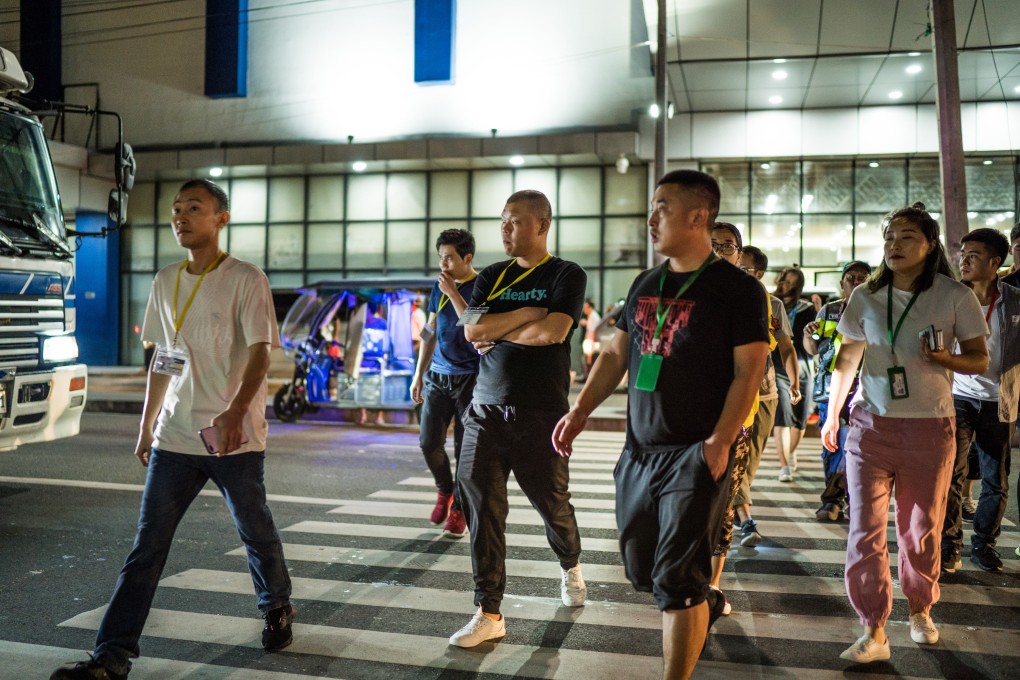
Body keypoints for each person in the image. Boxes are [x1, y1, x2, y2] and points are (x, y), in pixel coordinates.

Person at [50, 180, 294, 680]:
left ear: (221, 219)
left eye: (194, 208)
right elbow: (164, 358)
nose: (181, 216)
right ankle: (111, 657)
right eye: (177, 209)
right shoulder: (166, 281)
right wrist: (147, 426)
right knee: (147, 547)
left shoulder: (246, 279)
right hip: (175, 438)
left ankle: (276, 605)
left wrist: (235, 411)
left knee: (255, 530)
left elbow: (260, 354)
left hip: (232, 438)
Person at [553, 170, 769, 679]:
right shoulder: (646, 283)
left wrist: (719, 441)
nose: (651, 219)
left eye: (662, 207)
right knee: (642, 567)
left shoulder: (737, 290)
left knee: (676, 580)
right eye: (653, 207)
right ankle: (702, 603)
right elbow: (616, 354)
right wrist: (580, 410)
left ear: (698, 215)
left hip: (696, 451)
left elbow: (750, 371)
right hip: (639, 451)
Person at [822, 203, 988, 664]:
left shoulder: (954, 295)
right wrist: (833, 414)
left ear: (930, 244)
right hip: (869, 425)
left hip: (929, 427)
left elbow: (979, 359)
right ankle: (873, 629)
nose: (894, 245)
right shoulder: (866, 295)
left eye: (906, 236)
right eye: (889, 237)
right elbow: (847, 357)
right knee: (864, 530)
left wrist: (945, 360)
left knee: (920, 530)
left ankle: (920, 610)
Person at [448, 189, 587, 648]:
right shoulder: (491, 275)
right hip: (484, 411)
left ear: (542, 225)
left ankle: (570, 563)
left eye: (514, 221)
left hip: (541, 413)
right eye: (502, 221)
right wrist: (528, 312)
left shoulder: (566, 274)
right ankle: (488, 611)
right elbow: (472, 329)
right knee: (482, 509)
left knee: (553, 506)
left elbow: (555, 332)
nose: (504, 229)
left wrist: (503, 327)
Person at [939, 228, 1020, 573]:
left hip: (999, 400)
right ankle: (949, 545)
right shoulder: (951, 296)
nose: (964, 260)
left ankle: (984, 545)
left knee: (996, 480)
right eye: (963, 254)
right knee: (951, 475)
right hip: (956, 396)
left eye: (973, 255)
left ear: (995, 262)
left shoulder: (1014, 300)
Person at [409, 229, 479, 539]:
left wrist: (452, 292)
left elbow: (474, 327)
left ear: (467, 257)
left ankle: (460, 508)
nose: (443, 264)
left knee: (465, 450)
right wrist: (418, 374)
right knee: (428, 442)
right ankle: (445, 490)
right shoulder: (438, 288)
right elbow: (430, 331)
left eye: (449, 258)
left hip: (471, 380)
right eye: (441, 258)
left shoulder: (481, 287)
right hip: (438, 376)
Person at [733, 245, 799, 547]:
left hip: (765, 393)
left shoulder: (773, 305)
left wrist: (794, 382)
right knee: (736, 456)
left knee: (751, 460)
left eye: (744, 269)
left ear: (758, 273)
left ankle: (737, 509)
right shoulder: (724, 297)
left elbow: (786, 347)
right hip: (732, 392)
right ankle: (745, 517)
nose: (737, 272)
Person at [802, 260, 872, 522]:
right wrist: (808, 334)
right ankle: (832, 500)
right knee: (833, 444)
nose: (856, 281)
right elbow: (813, 349)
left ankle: (856, 500)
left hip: (867, 388)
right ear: (842, 283)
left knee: (862, 446)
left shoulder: (877, 309)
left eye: (862, 277)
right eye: (851, 277)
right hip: (831, 388)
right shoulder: (829, 311)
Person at [772, 266, 814, 481]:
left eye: (791, 282)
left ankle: (791, 452)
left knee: (799, 420)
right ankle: (784, 465)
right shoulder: (771, 305)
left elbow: (814, 342)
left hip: (804, 367)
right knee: (782, 415)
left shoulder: (807, 309)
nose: (786, 285)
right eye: (784, 280)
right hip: (778, 367)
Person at [580, 298, 601, 376]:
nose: (584, 309)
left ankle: (589, 376)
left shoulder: (593, 316)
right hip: (590, 340)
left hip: (592, 341)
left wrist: (590, 345)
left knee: (590, 361)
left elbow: (592, 331)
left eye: (586, 307)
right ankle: (587, 375)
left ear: (590, 307)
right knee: (586, 360)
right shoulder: (591, 315)